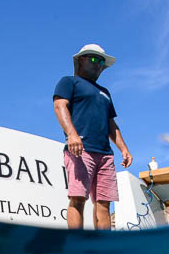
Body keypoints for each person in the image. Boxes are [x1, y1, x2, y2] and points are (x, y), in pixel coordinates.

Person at [53, 44, 132, 230]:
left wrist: (123, 148)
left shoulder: (105, 92)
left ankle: (102, 248)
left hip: (105, 153)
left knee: (104, 204)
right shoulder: (68, 82)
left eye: (102, 61)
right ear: (81, 60)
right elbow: (59, 106)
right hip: (80, 149)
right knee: (78, 198)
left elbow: (111, 124)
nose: (99, 64)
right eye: (94, 59)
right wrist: (71, 135)